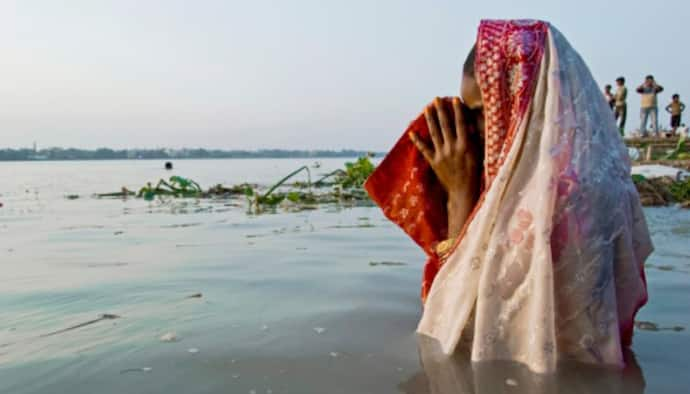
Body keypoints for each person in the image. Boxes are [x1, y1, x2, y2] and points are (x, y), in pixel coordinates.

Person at [365, 20, 651, 373]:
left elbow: (460, 330)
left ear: (520, 103)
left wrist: (459, 195)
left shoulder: (555, 201)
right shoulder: (595, 181)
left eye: (483, 113)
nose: (475, 133)